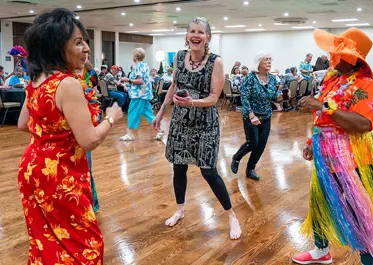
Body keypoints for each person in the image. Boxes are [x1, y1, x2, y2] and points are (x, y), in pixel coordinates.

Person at [17, 8, 122, 264]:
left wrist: (52, 136)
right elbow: (89, 140)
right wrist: (111, 118)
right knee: (83, 244)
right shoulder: (67, 84)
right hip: (60, 175)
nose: (86, 48)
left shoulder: (37, 80)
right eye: (78, 42)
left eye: (84, 40)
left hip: (33, 170)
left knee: (46, 243)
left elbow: (23, 124)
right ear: (57, 47)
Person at [292, 27, 373, 265]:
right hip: (327, 152)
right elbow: (325, 119)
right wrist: (312, 142)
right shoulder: (334, 78)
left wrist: (324, 106)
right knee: (319, 200)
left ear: (353, 57)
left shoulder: (366, 84)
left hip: (357, 155)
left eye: (337, 53)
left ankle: (368, 260)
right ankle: (321, 251)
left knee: (357, 208)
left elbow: (363, 124)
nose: (331, 57)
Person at [152, 17, 242, 240]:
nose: (195, 35)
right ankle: (180, 209)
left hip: (205, 124)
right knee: (179, 167)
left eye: (200, 32)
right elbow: (173, 86)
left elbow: (213, 98)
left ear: (207, 37)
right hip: (180, 121)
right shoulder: (180, 57)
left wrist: (192, 102)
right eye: (192, 31)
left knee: (209, 171)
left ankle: (231, 215)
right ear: (186, 35)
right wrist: (162, 111)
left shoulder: (216, 62)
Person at [230, 52, 282, 180]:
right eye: (266, 60)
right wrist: (251, 115)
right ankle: (237, 157)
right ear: (259, 63)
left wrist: (280, 97)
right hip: (251, 116)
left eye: (270, 60)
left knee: (261, 144)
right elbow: (244, 97)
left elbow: (273, 96)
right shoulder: (251, 78)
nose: (269, 62)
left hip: (266, 116)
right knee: (253, 143)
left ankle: (250, 168)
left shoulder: (272, 79)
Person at [119, 48, 165, 141]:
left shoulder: (137, 66)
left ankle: (130, 134)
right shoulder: (145, 65)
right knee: (149, 114)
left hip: (138, 95)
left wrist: (128, 80)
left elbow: (140, 81)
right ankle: (160, 130)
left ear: (135, 56)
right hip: (144, 95)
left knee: (132, 112)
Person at [76, 60, 102, 212]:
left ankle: (90, 204)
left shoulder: (89, 73)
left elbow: (95, 85)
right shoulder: (64, 77)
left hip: (87, 120)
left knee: (87, 166)